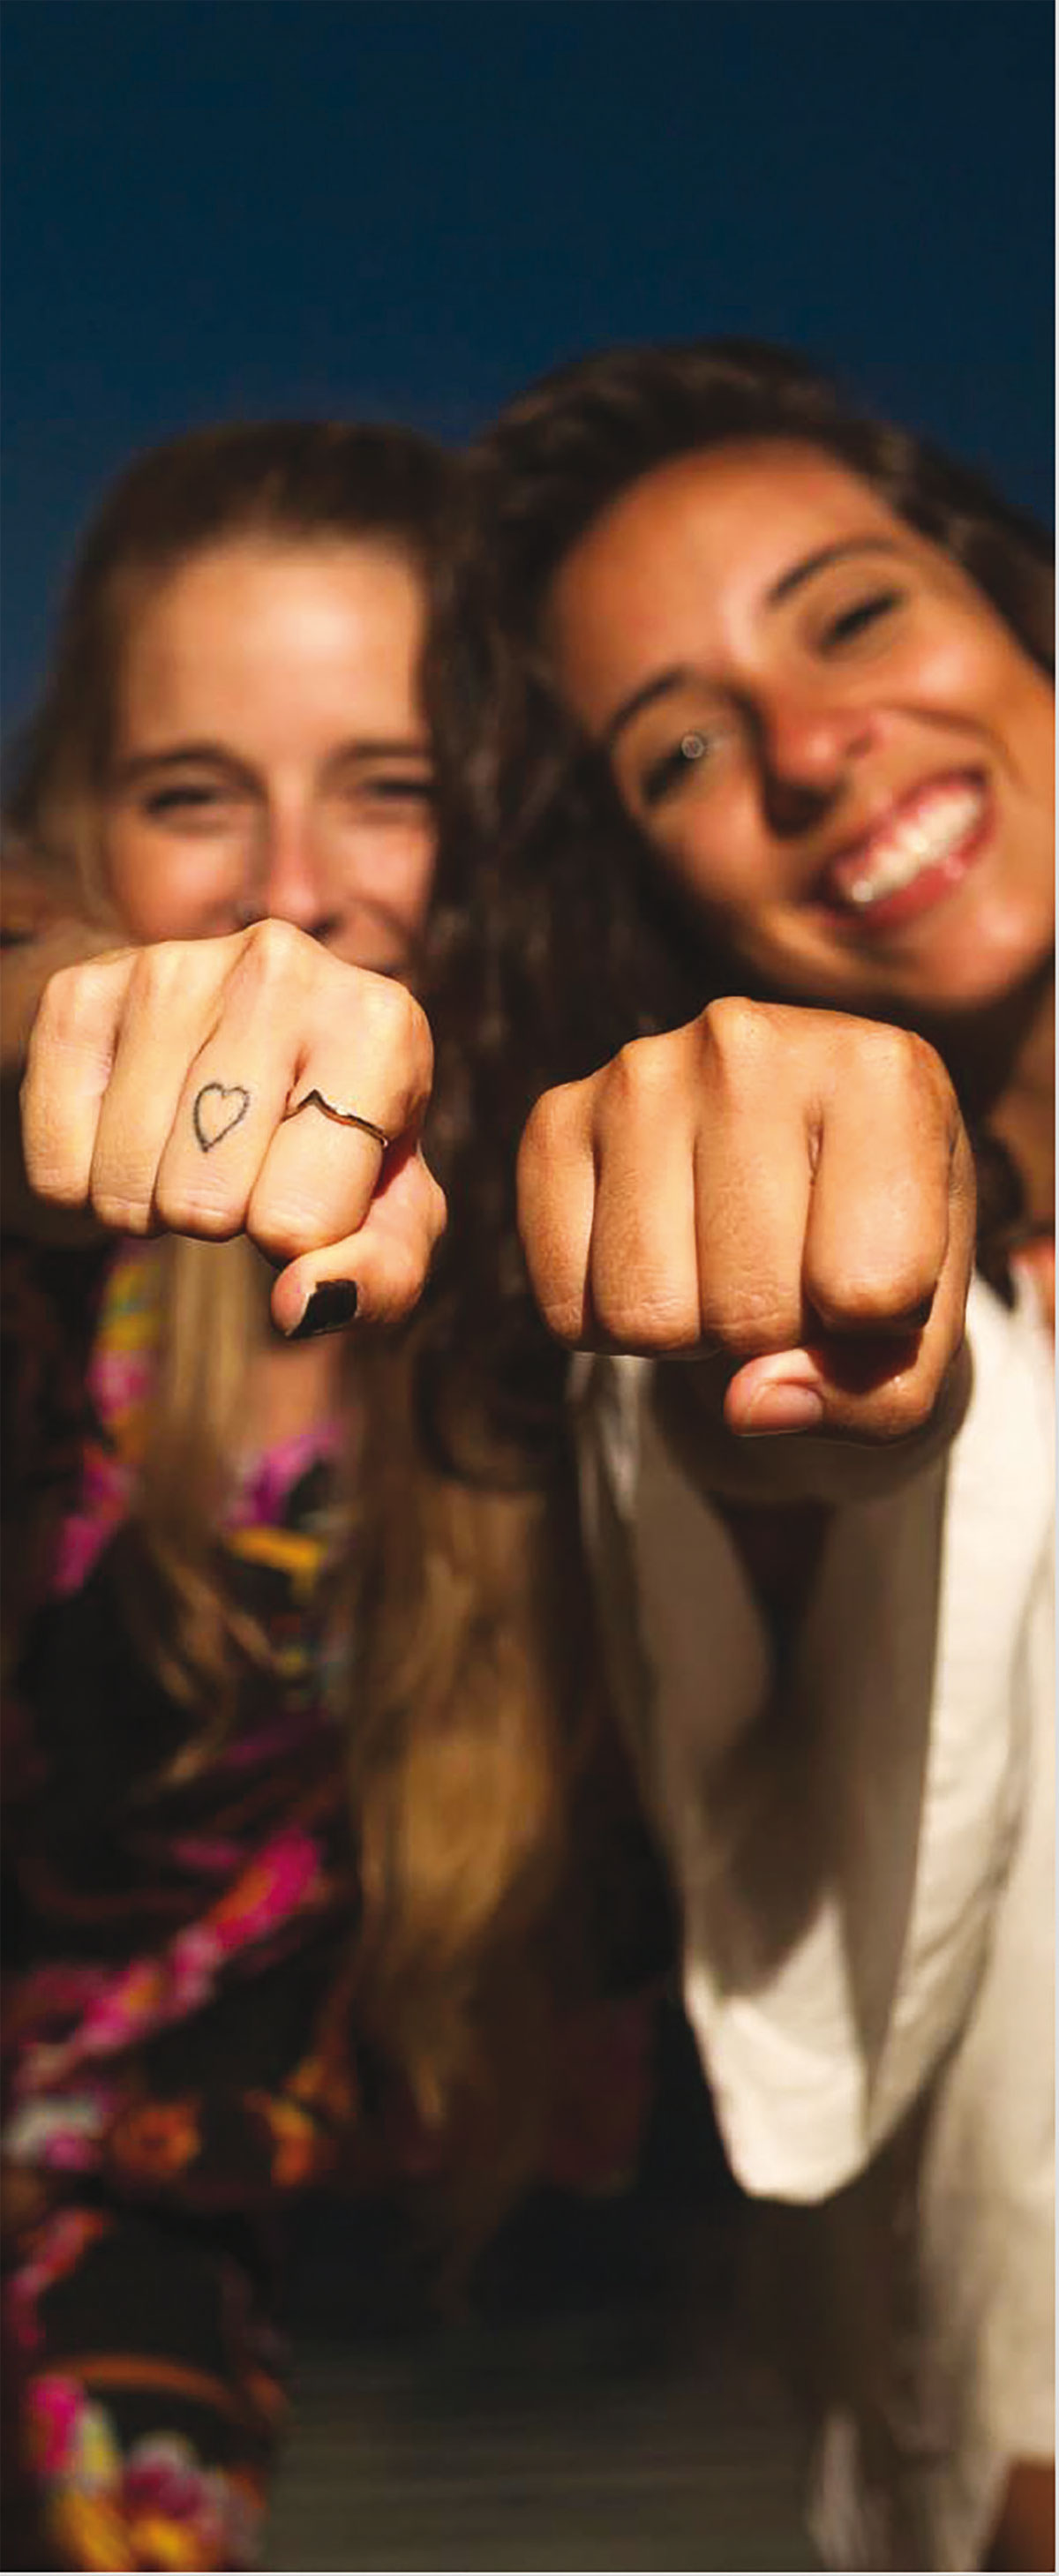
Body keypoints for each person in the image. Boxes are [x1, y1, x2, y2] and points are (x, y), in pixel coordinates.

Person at [1, 420, 658, 2572]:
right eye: (193, 793)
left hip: (510, 2305)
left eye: (389, 784)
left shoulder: (604, 1206)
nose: (294, 881)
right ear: (82, 824)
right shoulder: (52, 1264)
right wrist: (44, 1025)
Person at [437, 341, 1054, 2572]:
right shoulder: (705, 1267)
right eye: (681, 747)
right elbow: (797, 1446)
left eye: (855, 613)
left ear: (1017, 610)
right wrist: (804, 1335)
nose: (808, 748)